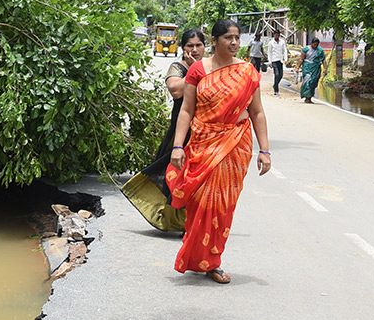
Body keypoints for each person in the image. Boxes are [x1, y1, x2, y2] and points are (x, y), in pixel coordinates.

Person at [166, 19, 271, 284]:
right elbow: (187, 110)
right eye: (228, 38)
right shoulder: (198, 70)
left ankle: (213, 261)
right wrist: (178, 146)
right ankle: (196, 253)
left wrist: (265, 150)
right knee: (199, 202)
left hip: (235, 143)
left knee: (222, 205)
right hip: (202, 142)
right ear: (214, 41)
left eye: (237, 38)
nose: (234, 43)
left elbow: (257, 112)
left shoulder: (247, 71)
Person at [120, 29, 206, 232]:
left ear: (205, 47)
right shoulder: (178, 67)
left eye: (198, 45)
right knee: (175, 175)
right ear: (183, 49)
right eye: (189, 46)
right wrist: (196, 71)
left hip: (204, 131)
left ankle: (193, 221)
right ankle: (176, 219)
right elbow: (176, 90)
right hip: (181, 132)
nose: (194, 50)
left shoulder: (210, 67)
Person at [299, 37, 327, 104]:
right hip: (307, 68)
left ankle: (310, 97)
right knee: (308, 82)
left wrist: (325, 69)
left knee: (313, 82)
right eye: (314, 44)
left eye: (317, 45)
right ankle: (306, 97)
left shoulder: (320, 50)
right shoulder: (306, 49)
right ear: (311, 43)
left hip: (316, 68)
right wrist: (297, 67)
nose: (315, 46)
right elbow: (301, 59)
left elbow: (323, 60)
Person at [266, 31, 287, 96]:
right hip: (274, 60)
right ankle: (276, 90)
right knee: (277, 74)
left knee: (281, 75)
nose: (277, 36)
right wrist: (270, 61)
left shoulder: (282, 42)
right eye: (276, 35)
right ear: (274, 35)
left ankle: (275, 85)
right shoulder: (271, 43)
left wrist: (285, 59)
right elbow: (269, 52)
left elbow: (284, 50)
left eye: (278, 35)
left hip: (280, 60)